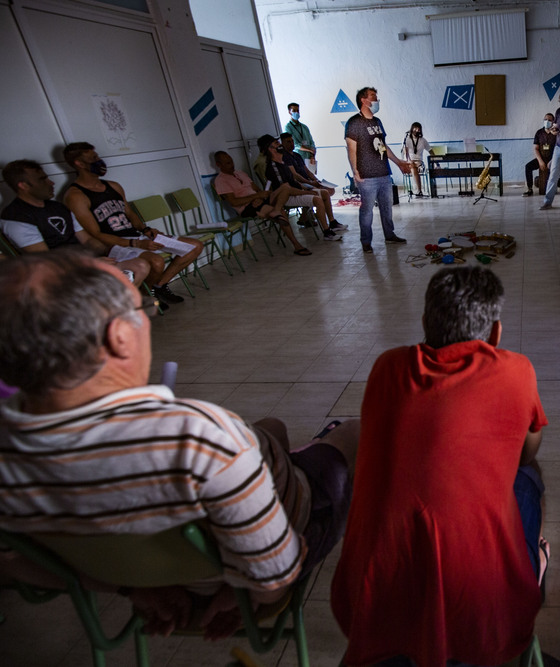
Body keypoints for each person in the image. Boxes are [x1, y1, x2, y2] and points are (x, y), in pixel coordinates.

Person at [0, 252, 358, 639]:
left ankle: (260, 488)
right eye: (143, 307)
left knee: (270, 428)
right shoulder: (200, 437)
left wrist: (132, 585)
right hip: (264, 545)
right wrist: (252, 596)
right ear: (119, 337)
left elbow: (13, 561)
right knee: (355, 432)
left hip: (146, 570)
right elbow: (274, 576)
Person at [331, 266, 548, 667]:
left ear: (425, 323)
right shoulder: (517, 370)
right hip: (481, 612)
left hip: (369, 598)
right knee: (528, 476)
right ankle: (536, 559)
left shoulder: (386, 367)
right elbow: (527, 452)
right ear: (495, 334)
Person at [62, 142, 204, 305]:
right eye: (93, 158)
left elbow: (129, 213)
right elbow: (95, 234)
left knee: (194, 246)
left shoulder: (113, 186)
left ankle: (159, 286)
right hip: (114, 245)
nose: (99, 161)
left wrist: (145, 229)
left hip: (136, 237)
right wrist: (135, 243)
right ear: (79, 164)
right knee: (156, 262)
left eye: (98, 157)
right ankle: (144, 297)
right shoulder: (75, 196)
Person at [0, 159, 150, 288]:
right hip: (61, 271)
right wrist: (91, 263)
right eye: (42, 179)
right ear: (23, 186)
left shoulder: (57, 207)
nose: (51, 183)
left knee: (140, 265)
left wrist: (112, 252)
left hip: (85, 260)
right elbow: (44, 259)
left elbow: (87, 240)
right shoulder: (16, 217)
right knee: (115, 279)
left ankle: (119, 308)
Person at [345, 86, 410, 254]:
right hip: (366, 175)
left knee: (387, 207)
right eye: (373, 96)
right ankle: (366, 241)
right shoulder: (354, 122)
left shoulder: (377, 121)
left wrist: (398, 162)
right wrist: (355, 171)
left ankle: (390, 235)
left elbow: (382, 146)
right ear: (363, 100)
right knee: (366, 210)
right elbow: (351, 148)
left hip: (383, 173)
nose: (376, 100)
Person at [212, 150, 314, 256]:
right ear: (218, 165)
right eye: (228, 163)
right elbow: (234, 202)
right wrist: (256, 197)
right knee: (282, 214)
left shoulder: (240, 173)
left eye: (231, 161)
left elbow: (257, 190)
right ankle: (297, 245)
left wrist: (260, 197)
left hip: (258, 200)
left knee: (285, 187)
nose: (232, 165)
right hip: (247, 208)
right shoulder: (221, 181)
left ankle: (297, 198)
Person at [257, 134, 341, 242]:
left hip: (297, 190)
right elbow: (287, 189)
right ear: (270, 149)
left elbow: (293, 181)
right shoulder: (273, 167)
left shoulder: (282, 162)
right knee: (317, 199)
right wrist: (306, 192)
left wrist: (308, 188)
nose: (280, 145)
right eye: (277, 143)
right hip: (289, 196)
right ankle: (327, 232)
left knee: (324, 192)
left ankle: (332, 223)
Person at [523, 113, 560, 197]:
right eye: (545, 119)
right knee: (528, 167)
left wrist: (552, 161)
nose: (547, 121)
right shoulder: (539, 133)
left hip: (554, 158)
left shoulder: (556, 133)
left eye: (550, 120)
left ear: (553, 122)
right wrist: (540, 161)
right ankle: (529, 189)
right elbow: (536, 148)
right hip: (541, 158)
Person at [284, 102, 317, 170]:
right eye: (294, 111)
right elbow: (295, 144)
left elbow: (311, 142)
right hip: (298, 158)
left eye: (298, 110)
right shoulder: (288, 127)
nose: (296, 112)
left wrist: (312, 155)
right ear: (289, 112)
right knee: (303, 177)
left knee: (313, 177)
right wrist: (309, 150)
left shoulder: (304, 127)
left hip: (309, 158)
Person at [402, 122, 430, 198]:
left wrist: (436, 162)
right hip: (409, 161)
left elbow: (430, 150)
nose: (417, 130)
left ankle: (418, 189)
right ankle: (419, 190)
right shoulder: (407, 139)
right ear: (412, 129)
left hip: (419, 162)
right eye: (415, 128)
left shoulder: (423, 140)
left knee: (415, 167)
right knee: (413, 166)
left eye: (419, 128)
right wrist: (409, 160)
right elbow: (405, 152)